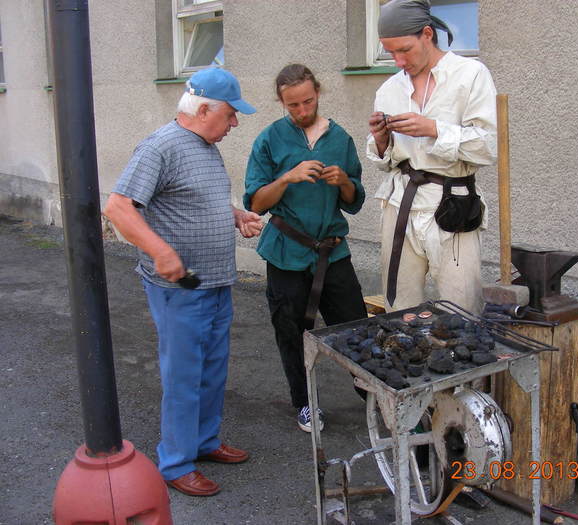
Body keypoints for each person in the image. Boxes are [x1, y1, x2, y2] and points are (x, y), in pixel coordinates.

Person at [103, 67, 263, 497]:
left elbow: (195, 198)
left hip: (216, 282)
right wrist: (160, 252)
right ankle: (175, 462)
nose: (235, 123)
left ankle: (205, 442)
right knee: (184, 376)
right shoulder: (160, 146)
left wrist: (235, 216)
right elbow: (118, 207)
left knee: (212, 370)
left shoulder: (205, 146)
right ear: (204, 109)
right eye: (230, 114)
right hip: (180, 290)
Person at [244, 64, 367, 433]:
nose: (301, 110)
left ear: (318, 93)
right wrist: (287, 177)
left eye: (308, 102)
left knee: (357, 330)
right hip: (286, 252)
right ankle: (305, 402)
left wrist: (343, 181)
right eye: (293, 105)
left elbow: (353, 201)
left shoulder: (339, 138)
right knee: (290, 332)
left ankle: (376, 396)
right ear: (282, 102)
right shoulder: (270, 139)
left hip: (333, 252)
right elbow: (256, 203)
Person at [367, 0, 497, 314]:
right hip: (400, 203)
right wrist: (381, 140)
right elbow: (385, 160)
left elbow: (488, 147)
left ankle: (460, 348)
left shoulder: (470, 75)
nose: (398, 61)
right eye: (390, 52)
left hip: (453, 202)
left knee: (461, 307)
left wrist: (433, 129)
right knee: (399, 308)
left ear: (427, 34)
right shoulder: (389, 89)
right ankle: (400, 346)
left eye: (405, 50)